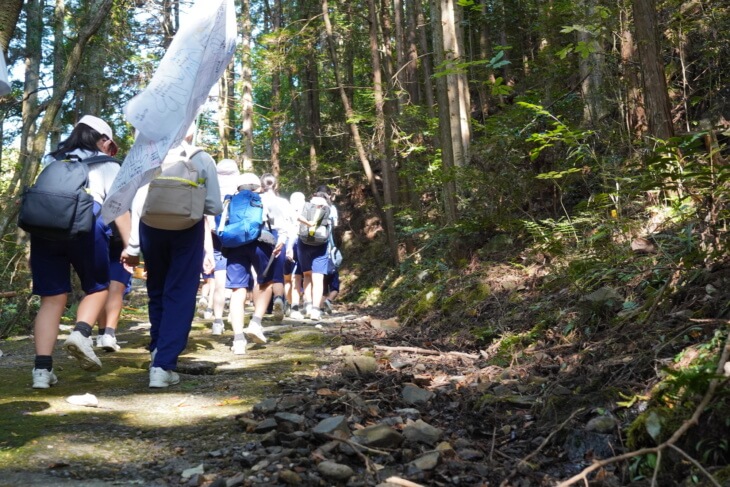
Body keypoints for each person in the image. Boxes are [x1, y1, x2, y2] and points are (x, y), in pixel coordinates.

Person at [30, 115, 131, 389]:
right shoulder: (107, 165)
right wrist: (132, 245)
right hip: (87, 226)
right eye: (111, 145)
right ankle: (81, 332)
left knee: (51, 299)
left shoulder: (54, 161)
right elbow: (118, 208)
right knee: (98, 287)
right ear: (104, 140)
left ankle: (41, 371)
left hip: (45, 230)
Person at [121, 126, 221, 388]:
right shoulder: (202, 158)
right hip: (187, 229)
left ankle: (157, 349)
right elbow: (213, 205)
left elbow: (137, 202)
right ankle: (163, 365)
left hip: (150, 228)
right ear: (190, 132)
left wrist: (132, 246)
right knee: (181, 293)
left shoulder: (148, 155)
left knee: (157, 289)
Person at [223, 173, 287, 355]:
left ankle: (238, 339)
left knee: (238, 289)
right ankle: (255, 322)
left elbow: (218, 225)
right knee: (265, 282)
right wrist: (281, 239)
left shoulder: (230, 201)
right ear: (257, 187)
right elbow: (279, 224)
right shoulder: (265, 199)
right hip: (261, 243)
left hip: (235, 246)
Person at [207, 158, 240, 335]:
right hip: (237, 239)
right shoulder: (239, 186)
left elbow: (206, 216)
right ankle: (235, 317)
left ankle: (217, 321)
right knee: (237, 282)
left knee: (219, 280)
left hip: (215, 238)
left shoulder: (211, 185)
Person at [259, 173, 294, 323]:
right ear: (275, 185)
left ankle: (261, 308)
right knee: (278, 274)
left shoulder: (258, 200)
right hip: (280, 236)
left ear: (261, 185)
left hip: (261, 237)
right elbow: (291, 223)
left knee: (261, 274)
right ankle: (278, 299)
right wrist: (289, 244)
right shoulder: (283, 202)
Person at [95, 222, 133, 351]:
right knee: (116, 287)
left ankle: (101, 334)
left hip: (96, 233)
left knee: (99, 286)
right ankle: (109, 334)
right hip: (122, 238)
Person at [296, 191, 333, 321]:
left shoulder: (306, 205)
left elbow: (297, 217)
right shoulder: (329, 207)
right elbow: (331, 227)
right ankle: (316, 310)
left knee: (306, 275)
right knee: (318, 277)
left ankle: (308, 304)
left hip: (304, 242)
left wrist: (308, 224)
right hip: (321, 244)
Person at [285, 192, 305, 319]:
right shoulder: (305, 211)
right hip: (298, 244)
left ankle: (290, 304)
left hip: (285, 242)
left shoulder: (286, 210)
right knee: (296, 277)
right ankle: (294, 307)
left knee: (287, 278)